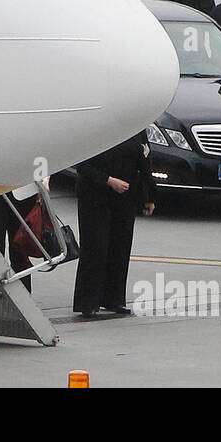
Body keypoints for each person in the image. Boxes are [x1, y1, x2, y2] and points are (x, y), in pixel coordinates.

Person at [73, 130, 155, 317]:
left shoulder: (136, 129)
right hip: (95, 195)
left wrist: (149, 196)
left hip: (125, 196)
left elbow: (145, 162)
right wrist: (109, 181)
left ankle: (114, 299)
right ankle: (88, 301)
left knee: (120, 248)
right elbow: (82, 166)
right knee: (95, 247)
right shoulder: (97, 126)